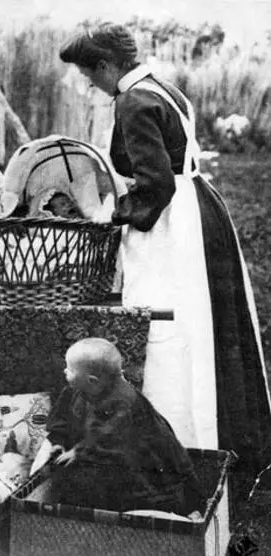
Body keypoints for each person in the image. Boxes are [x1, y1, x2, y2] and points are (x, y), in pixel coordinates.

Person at [59, 23, 271, 471]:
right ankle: (224, 433)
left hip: (174, 223)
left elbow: (155, 184)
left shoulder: (135, 102)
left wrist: (114, 214)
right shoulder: (161, 88)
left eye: (89, 74)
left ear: (106, 64)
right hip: (198, 208)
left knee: (168, 328)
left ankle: (182, 441)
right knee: (203, 326)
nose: (89, 83)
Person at [46, 338, 204, 516]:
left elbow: (110, 435)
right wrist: (58, 441)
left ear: (92, 380)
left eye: (70, 370)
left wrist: (79, 451)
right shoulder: (75, 389)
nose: (65, 371)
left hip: (141, 463)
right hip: (98, 456)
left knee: (141, 495)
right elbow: (62, 418)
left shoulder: (124, 402)